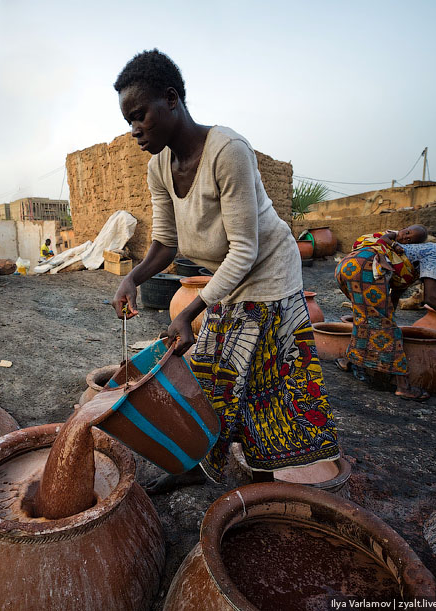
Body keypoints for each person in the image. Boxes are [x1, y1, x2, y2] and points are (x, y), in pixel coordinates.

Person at [111, 49, 339, 492]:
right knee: (214, 371)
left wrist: (189, 311)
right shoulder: (158, 166)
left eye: (140, 115)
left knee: (262, 379)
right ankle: (202, 464)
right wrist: (133, 277)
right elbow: (166, 242)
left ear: (172, 99)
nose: (134, 130)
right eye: (128, 121)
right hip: (229, 276)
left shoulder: (227, 151)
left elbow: (246, 250)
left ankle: (265, 478)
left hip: (268, 273)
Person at [335, 229, 436, 401]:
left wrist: (388, 315)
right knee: (385, 326)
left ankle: (347, 361)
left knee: (370, 319)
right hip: (367, 269)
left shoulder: (419, 252)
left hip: (349, 266)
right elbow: (433, 298)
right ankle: (403, 386)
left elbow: (397, 291)